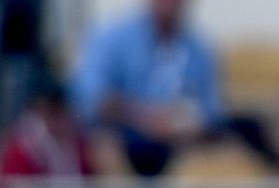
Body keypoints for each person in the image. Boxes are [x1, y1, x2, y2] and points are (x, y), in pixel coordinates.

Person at [70, 0, 221, 177]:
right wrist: (143, 116)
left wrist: (182, 122)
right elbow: (90, 97)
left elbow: (212, 112)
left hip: (179, 144)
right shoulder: (112, 36)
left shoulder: (198, 47)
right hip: (123, 138)